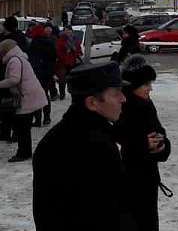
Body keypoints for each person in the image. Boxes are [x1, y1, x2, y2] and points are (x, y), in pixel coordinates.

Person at [33, 61, 137, 229]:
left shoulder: (58, 137)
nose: (123, 98)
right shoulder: (95, 146)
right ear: (92, 103)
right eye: (117, 93)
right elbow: (111, 212)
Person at [116, 55, 171, 231]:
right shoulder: (122, 107)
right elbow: (119, 137)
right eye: (146, 84)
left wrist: (162, 145)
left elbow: (158, 130)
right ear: (133, 86)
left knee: (148, 218)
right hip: (132, 174)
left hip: (149, 173)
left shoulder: (145, 103)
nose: (151, 88)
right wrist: (143, 144)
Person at [0, 39, 48, 162]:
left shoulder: (14, 60)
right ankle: (24, 152)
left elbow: (14, 79)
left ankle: (23, 153)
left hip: (25, 97)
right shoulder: (20, 58)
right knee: (23, 127)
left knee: (22, 128)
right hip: (29, 95)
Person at [27, 23, 57, 127]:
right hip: (47, 73)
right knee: (45, 95)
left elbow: (31, 59)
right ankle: (47, 118)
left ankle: (38, 119)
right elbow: (54, 58)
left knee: (37, 96)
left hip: (37, 73)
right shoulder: (50, 42)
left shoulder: (34, 43)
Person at [54, 23, 82, 100]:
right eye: (66, 30)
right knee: (62, 80)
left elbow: (78, 50)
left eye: (69, 30)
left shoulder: (75, 39)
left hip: (72, 62)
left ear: (72, 31)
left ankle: (73, 92)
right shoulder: (60, 39)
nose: (68, 32)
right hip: (62, 62)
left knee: (72, 79)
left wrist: (75, 50)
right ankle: (62, 94)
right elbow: (58, 50)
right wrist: (66, 50)